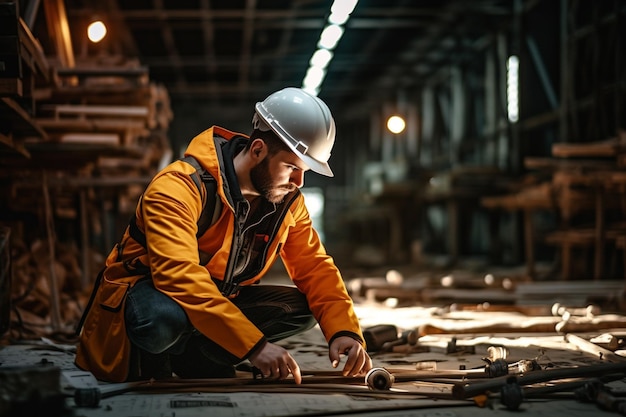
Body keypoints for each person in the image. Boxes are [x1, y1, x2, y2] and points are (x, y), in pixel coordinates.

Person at [75, 87, 372, 383]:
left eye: (305, 171)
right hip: (153, 296)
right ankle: (157, 359)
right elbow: (178, 276)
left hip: (215, 301)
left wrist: (344, 332)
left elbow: (314, 267)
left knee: (302, 310)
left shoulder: (288, 203)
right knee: (162, 320)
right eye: (292, 167)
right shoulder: (177, 187)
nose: (299, 182)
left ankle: (195, 358)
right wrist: (255, 348)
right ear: (258, 150)